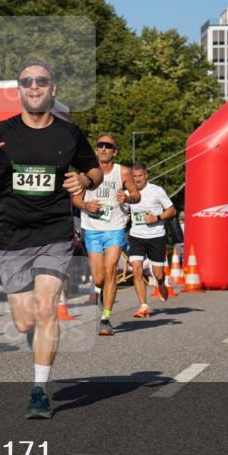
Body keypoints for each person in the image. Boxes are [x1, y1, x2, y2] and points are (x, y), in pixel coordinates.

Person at [0, 59, 102, 419]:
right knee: (24, 321)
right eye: (27, 82)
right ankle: (38, 342)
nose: (34, 87)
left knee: (47, 308)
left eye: (41, 81)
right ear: (19, 90)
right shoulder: (2, 132)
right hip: (12, 236)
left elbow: (92, 168)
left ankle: (39, 390)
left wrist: (86, 181)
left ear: (53, 89)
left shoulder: (69, 134)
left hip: (54, 232)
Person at [71, 133, 140, 336]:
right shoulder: (86, 172)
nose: (103, 149)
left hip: (115, 227)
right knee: (99, 278)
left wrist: (127, 197)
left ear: (114, 152)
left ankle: (106, 318)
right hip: (92, 228)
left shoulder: (123, 172)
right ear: (95, 150)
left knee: (111, 271)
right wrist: (85, 204)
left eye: (108, 146)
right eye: (100, 145)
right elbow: (75, 199)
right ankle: (103, 294)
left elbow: (137, 195)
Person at [126, 163, 176, 318]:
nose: (138, 179)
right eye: (134, 176)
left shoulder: (157, 191)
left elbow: (172, 210)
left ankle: (162, 284)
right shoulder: (129, 193)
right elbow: (125, 211)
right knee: (137, 270)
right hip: (136, 236)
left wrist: (157, 217)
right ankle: (143, 305)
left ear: (146, 175)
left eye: (140, 176)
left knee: (158, 274)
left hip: (156, 236)